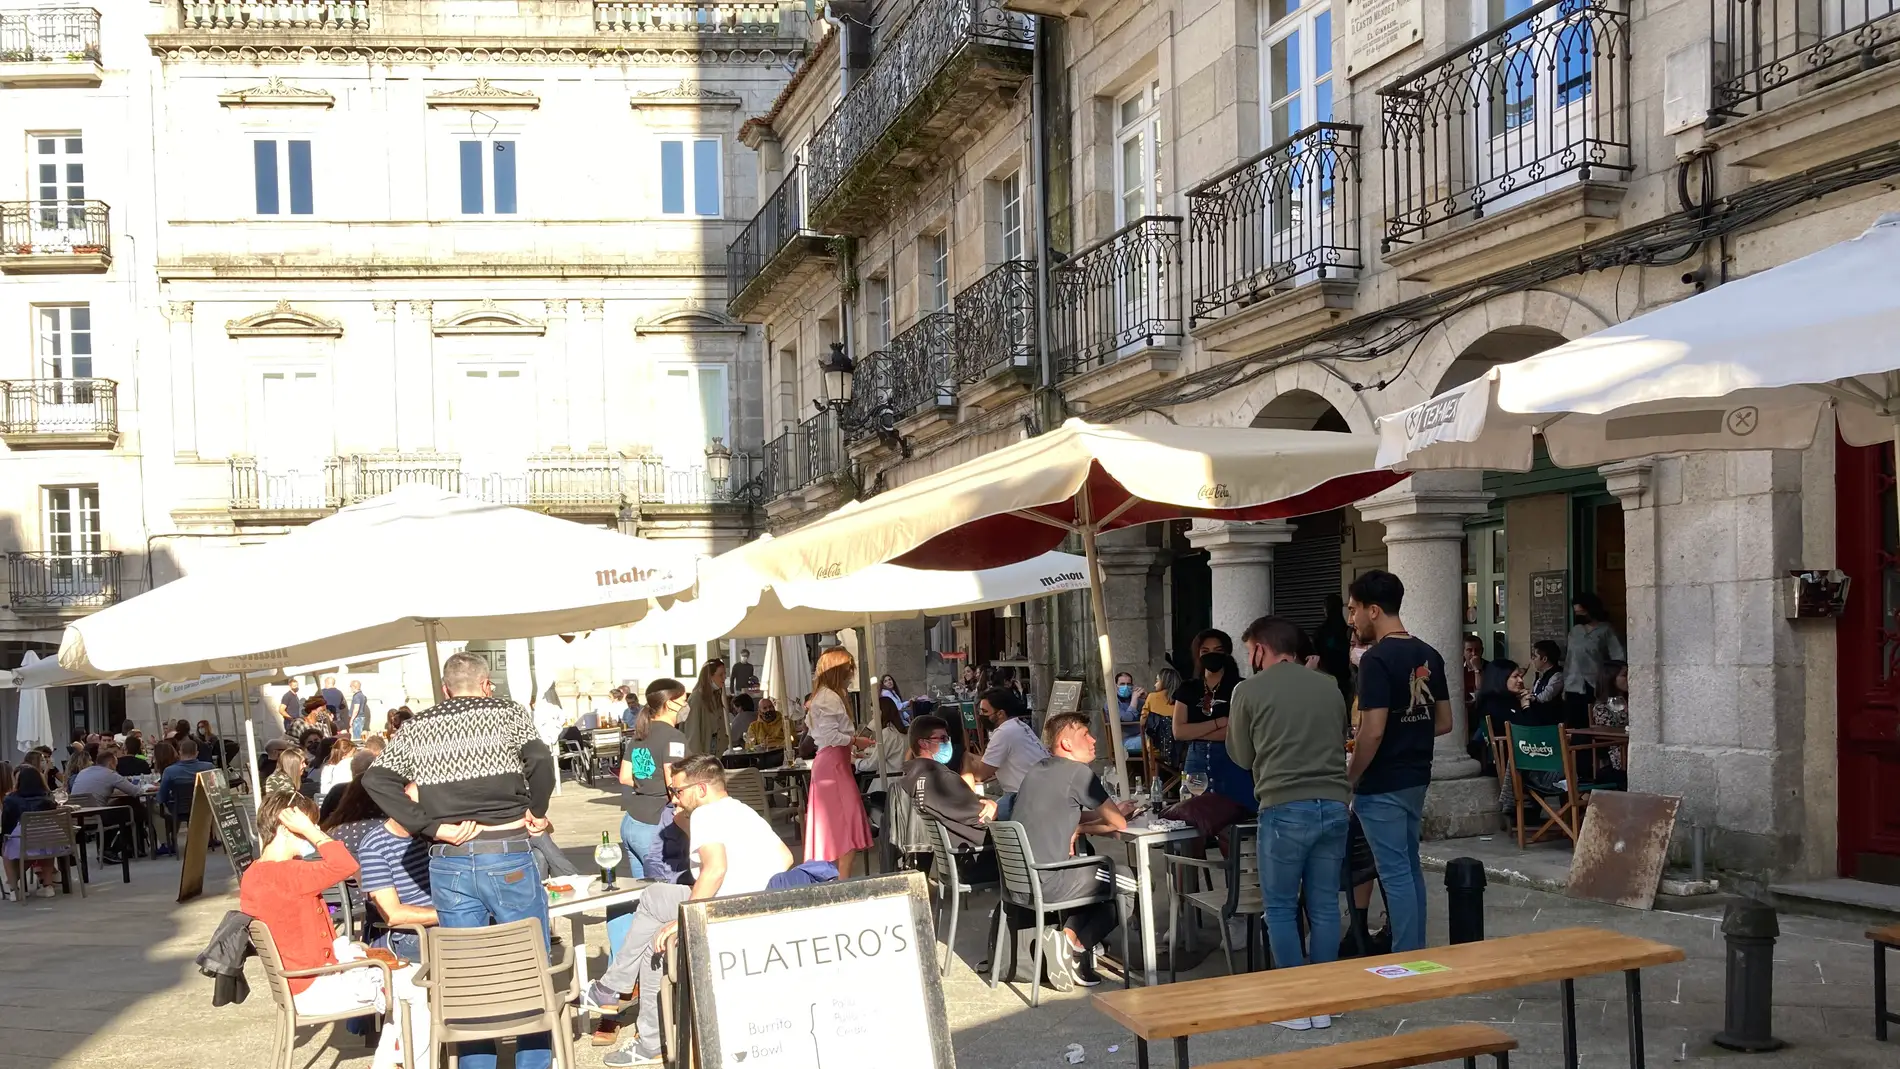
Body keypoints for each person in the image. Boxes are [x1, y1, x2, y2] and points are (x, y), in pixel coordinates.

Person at [360, 650, 556, 1069]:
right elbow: (540, 759)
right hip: (505, 849)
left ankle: (476, 1063)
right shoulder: (506, 711)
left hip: (448, 859)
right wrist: (536, 810)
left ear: (445, 690)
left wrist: (429, 825)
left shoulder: (420, 726)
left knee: (467, 974)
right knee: (528, 963)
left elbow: (376, 777)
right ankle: (532, 1061)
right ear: (487, 684)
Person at [587, 756, 794, 1067]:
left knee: (655, 908)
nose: (674, 797)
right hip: (755, 906)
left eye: (677, 790)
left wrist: (686, 917)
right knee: (654, 926)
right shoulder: (741, 810)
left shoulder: (707, 816)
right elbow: (786, 857)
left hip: (724, 909)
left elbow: (715, 869)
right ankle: (640, 1025)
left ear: (699, 789)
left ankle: (621, 1000)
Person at [239, 790, 429, 1069]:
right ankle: (401, 1063)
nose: (314, 832)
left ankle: (391, 1062)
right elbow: (345, 865)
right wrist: (314, 833)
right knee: (415, 987)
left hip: (298, 982)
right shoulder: (290, 875)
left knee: (403, 983)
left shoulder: (256, 872)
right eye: (308, 826)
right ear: (286, 828)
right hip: (315, 985)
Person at [1229, 616, 1350, 1028]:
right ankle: (1325, 1001)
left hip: (1283, 805)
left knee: (1279, 907)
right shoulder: (1330, 685)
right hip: (1334, 804)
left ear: (1262, 648)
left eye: (1250, 653)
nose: (1250, 661)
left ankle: (1296, 1007)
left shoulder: (1248, 691)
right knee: (1324, 906)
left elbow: (1242, 757)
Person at [1345, 569, 1452, 955]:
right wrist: (1410, 731)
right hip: (1416, 776)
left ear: (1374, 610)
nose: (1351, 618)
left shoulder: (1376, 661)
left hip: (1382, 780)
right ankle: (1416, 948)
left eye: (1354, 609)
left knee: (1394, 873)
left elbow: (1371, 731)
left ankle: (1408, 955)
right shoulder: (1430, 654)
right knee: (1408, 868)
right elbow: (1444, 722)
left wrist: (1350, 777)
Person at [1009, 712, 1133, 986]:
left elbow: (1064, 812)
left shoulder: (1037, 770)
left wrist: (1084, 823)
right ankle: (1074, 948)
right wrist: (1083, 828)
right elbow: (1119, 824)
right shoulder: (1078, 773)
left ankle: (1068, 942)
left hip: (1020, 881)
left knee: (1100, 880)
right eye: (1084, 735)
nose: (1093, 740)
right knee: (1127, 879)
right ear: (1066, 743)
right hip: (1050, 879)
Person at [343, 785, 440, 963]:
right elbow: (393, 915)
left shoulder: (433, 834)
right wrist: (449, 914)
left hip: (445, 922)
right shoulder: (375, 846)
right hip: (414, 934)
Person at [899, 714, 997, 880]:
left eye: (948, 738)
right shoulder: (941, 779)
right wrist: (993, 805)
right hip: (976, 859)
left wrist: (981, 801)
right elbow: (982, 817)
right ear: (923, 743)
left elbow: (961, 805)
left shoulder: (912, 777)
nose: (948, 743)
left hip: (954, 858)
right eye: (942, 739)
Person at [804, 647, 874, 877]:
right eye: (849, 669)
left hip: (833, 762)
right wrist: (855, 741)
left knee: (837, 826)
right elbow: (832, 736)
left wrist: (852, 749)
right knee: (846, 825)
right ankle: (842, 882)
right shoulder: (829, 698)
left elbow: (827, 737)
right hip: (833, 766)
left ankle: (837, 879)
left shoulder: (824, 696)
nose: (851, 674)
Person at [618, 678, 691, 881]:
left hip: (632, 822)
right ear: (670, 703)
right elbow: (673, 785)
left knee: (643, 895)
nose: (686, 706)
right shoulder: (674, 737)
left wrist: (648, 782)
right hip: (656, 825)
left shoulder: (639, 734)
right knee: (667, 894)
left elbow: (624, 777)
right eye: (684, 700)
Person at [967, 687, 1046, 819]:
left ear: (1000, 714)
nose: (981, 715)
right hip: (1039, 792)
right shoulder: (1019, 726)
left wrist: (966, 761)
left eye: (985, 711)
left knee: (980, 817)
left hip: (1022, 797)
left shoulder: (1003, 733)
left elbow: (981, 774)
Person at [1171, 628, 1236, 781]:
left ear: (1226, 653)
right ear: (1198, 655)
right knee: (1196, 803)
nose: (1211, 655)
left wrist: (1195, 732)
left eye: (1217, 650)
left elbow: (1236, 733)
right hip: (1195, 761)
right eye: (1205, 650)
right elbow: (1179, 732)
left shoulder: (1239, 687)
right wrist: (1219, 722)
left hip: (1230, 759)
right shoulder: (1188, 688)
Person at [1565, 593, 1625, 731]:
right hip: (1573, 685)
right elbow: (1569, 658)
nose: (1579, 615)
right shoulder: (1575, 631)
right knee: (1576, 727)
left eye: (1582, 612)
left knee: (1596, 725)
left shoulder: (1606, 630)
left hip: (1596, 685)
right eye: (1576, 613)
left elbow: (1618, 658)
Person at [3, 767, 63, 898]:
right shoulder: (48, 798)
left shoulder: (11, 799)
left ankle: (13, 889)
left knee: (6, 846)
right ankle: (48, 885)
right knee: (45, 845)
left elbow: (7, 824)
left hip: (23, 840)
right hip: (51, 840)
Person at [1315, 593, 1354, 702]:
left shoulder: (1320, 632)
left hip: (1325, 679)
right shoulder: (1348, 631)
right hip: (1345, 680)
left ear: (1326, 609)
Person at [1519, 641, 1566, 727]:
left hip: (1550, 721)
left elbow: (1545, 697)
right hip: (1538, 718)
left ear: (1544, 659)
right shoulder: (1540, 674)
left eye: (1535, 656)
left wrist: (1531, 697)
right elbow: (1533, 692)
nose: (1532, 659)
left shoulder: (1557, 675)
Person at [1114, 672, 1145, 755]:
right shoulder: (1112, 704)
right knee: (1152, 740)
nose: (1126, 687)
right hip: (1125, 741)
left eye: (1128, 684)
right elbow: (1127, 719)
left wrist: (1146, 697)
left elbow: (1153, 712)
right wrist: (1134, 700)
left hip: (1141, 736)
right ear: (1115, 686)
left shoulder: (1137, 701)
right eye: (1122, 684)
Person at [319, 736, 358, 803]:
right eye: (353, 754)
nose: (355, 756)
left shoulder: (326, 767)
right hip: (334, 802)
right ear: (344, 756)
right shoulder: (343, 767)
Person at [1462, 635, 1486, 711]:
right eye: (1469, 650)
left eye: (1477, 650)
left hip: (1482, 710)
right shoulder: (1458, 669)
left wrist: (1476, 669)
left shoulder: (1490, 668)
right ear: (1463, 652)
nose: (1473, 653)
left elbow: (1481, 689)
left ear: (1482, 651)